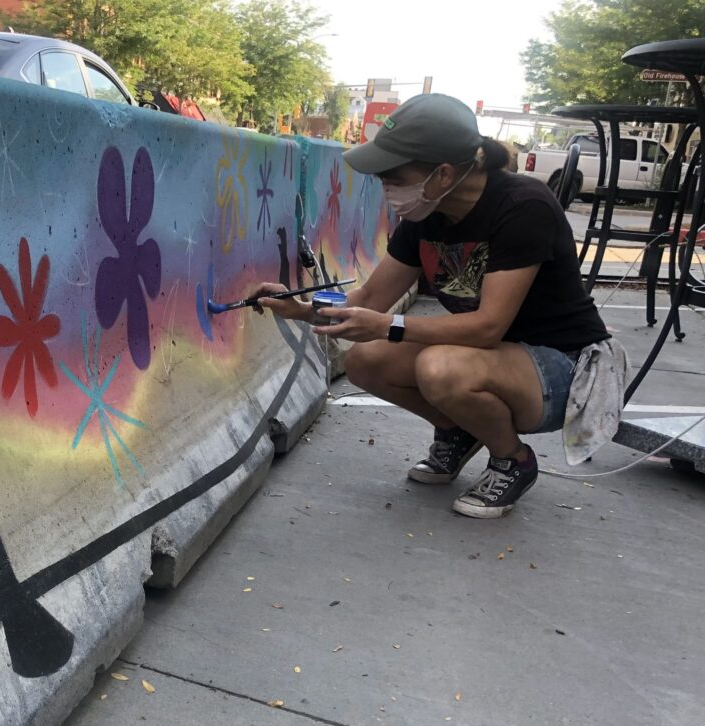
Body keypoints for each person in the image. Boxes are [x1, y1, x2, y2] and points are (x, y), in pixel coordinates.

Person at [253, 94, 611, 519]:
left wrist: (389, 326)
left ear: (443, 174)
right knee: (366, 360)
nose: (385, 187)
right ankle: (458, 429)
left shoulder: (522, 206)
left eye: (393, 175)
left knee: (439, 367)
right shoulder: (425, 217)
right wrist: (297, 308)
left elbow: (487, 328)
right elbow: (366, 302)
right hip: (494, 358)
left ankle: (512, 460)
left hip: (564, 368)